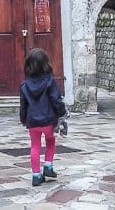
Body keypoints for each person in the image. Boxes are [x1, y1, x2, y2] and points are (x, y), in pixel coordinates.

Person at [19, 48, 68, 186]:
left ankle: (36, 175)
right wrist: (62, 112)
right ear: (46, 64)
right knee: (50, 141)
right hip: (48, 121)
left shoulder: (24, 85)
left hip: (33, 122)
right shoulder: (49, 82)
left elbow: (23, 105)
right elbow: (56, 100)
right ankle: (48, 167)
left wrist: (23, 119)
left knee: (35, 146)